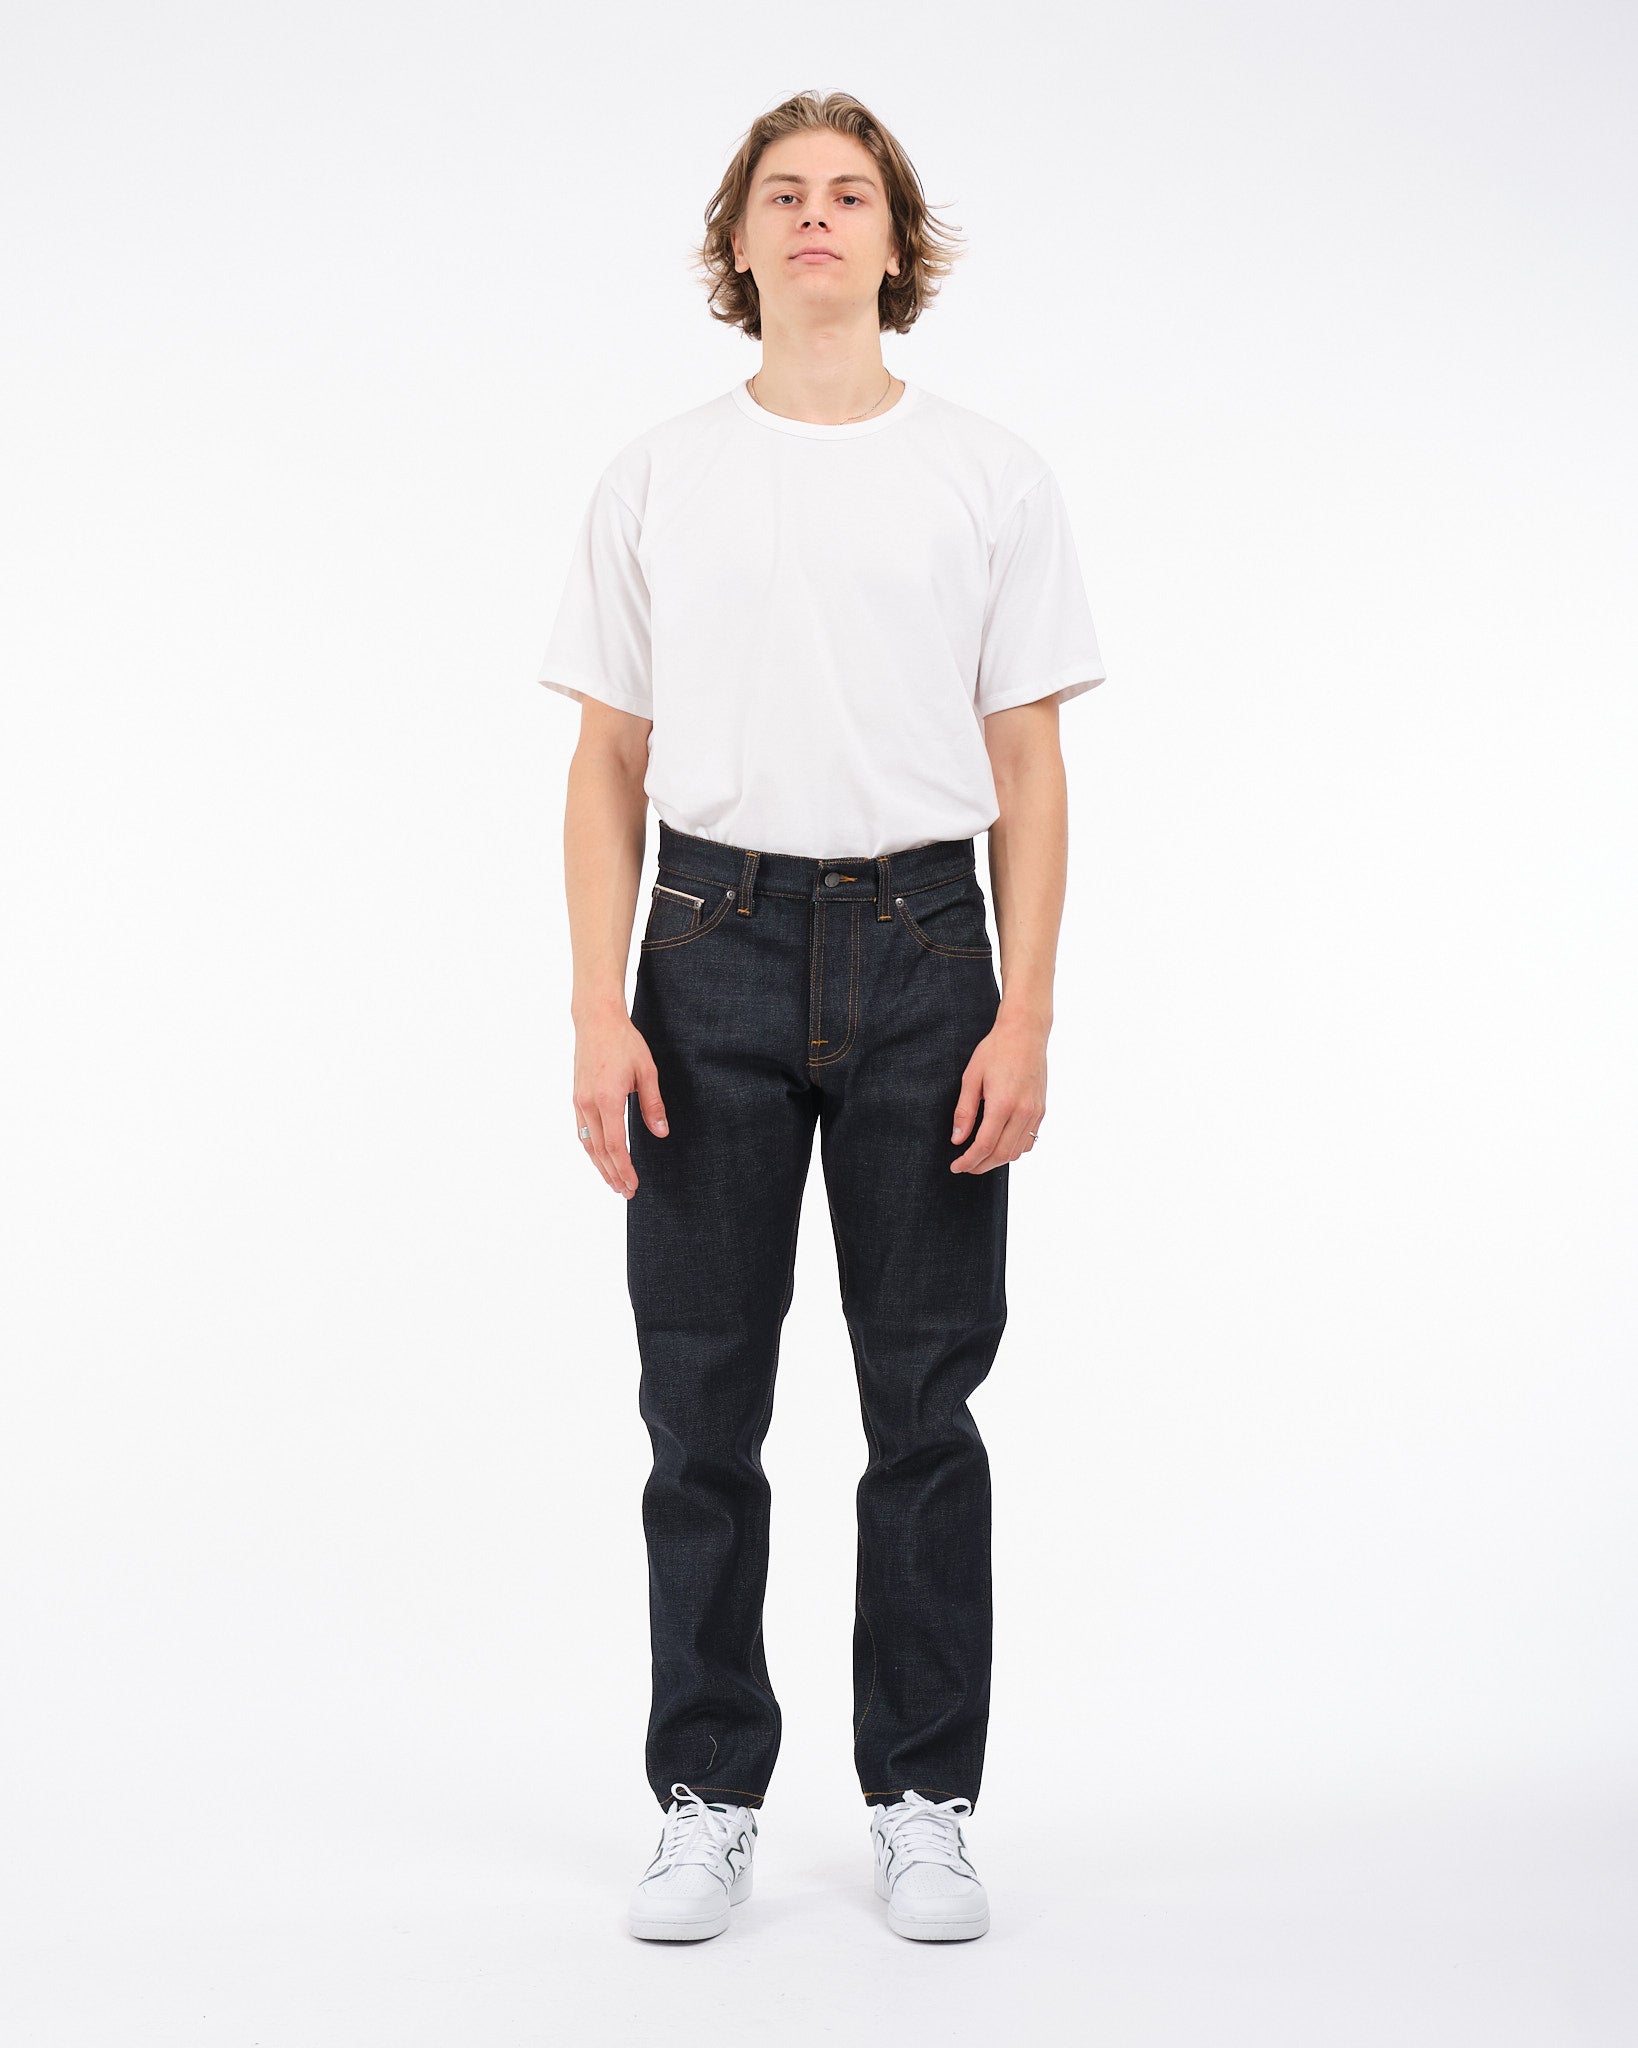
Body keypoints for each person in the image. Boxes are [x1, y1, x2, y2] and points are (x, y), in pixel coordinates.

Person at [535, 90, 1105, 1944]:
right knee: (698, 1402)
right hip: (705, 946)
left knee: (922, 1403)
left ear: (894, 241)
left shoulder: (987, 475)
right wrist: (595, 1005)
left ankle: (923, 1799)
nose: (813, 218)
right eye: (780, 193)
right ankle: (705, 1794)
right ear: (736, 240)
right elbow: (606, 759)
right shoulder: (659, 475)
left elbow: (1027, 759)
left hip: (928, 950)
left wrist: (1026, 1011)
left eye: (848, 194)